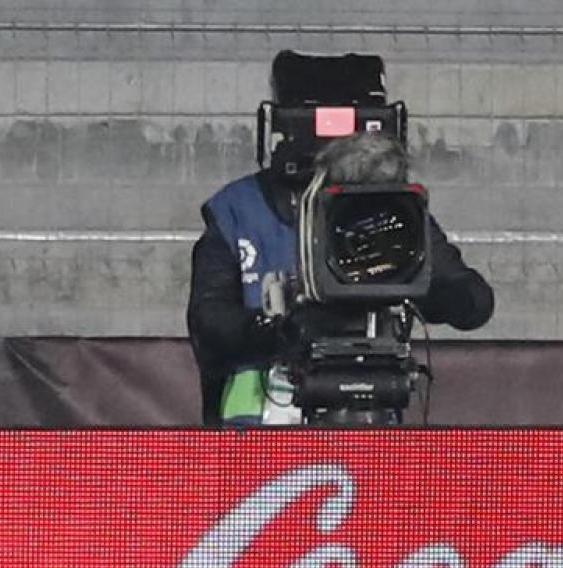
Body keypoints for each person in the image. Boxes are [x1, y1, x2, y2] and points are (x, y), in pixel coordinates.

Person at [187, 58, 493, 426]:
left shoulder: (392, 210)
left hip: (370, 420)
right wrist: (281, 331)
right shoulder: (239, 210)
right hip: (258, 429)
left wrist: (420, 290)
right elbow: (209, 325)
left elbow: (473, 300)